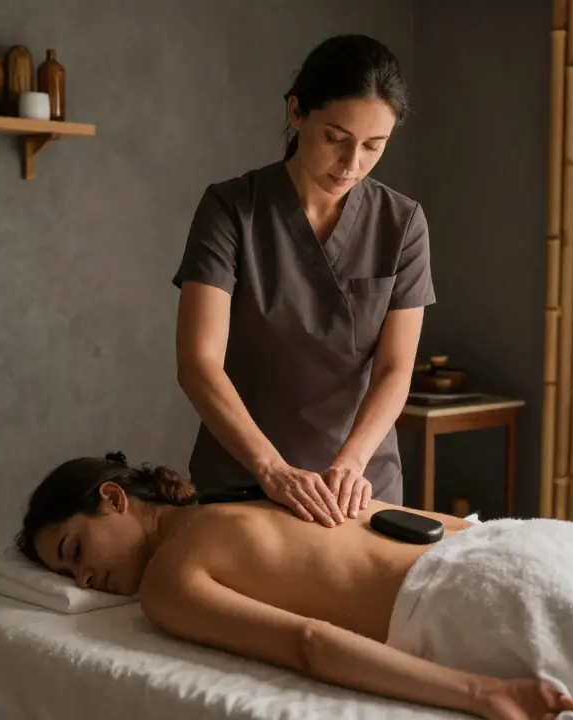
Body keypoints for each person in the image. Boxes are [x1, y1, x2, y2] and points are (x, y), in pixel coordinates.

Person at [17, 453, 573, 720]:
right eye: (68, 577)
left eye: (74, 551)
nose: (86, 580)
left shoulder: (169, 579)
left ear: (113, 498)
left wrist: (488, 693)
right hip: (529, 538)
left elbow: (309, 644)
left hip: (476, 588)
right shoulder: (256, 491)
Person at [174, 34, 431, 529]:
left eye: (374, 146)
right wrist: (271, 469)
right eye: (337, 138)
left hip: (356, 487)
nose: (352, 163)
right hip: (243, 479)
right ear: (296, 112)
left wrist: (352, 463)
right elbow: (198, 363)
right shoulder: (232, 210)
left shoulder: (402, 223)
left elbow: (396, 369)